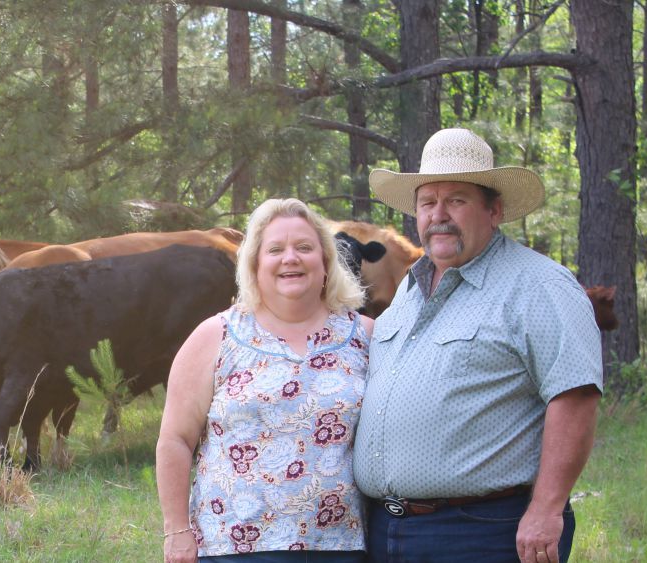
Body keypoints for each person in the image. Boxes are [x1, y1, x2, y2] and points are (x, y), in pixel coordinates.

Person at [355, 128, 603, 563]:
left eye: (457, 200)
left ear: (495, 210)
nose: (439, 215)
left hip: (483, 531)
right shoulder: (406, 294)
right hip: (386, 531)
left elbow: (575, 395)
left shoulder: (538, 285)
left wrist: (546, 509)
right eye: (428, 203)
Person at [158, 198, 373, 563]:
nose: (291, 258)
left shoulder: (364, 336)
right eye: (275, 249)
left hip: (340, 545)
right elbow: (175, 440)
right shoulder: (216, 336)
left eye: (304, 247)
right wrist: (176, 531)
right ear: (255, 263)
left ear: (325, 261)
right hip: (234, 546)